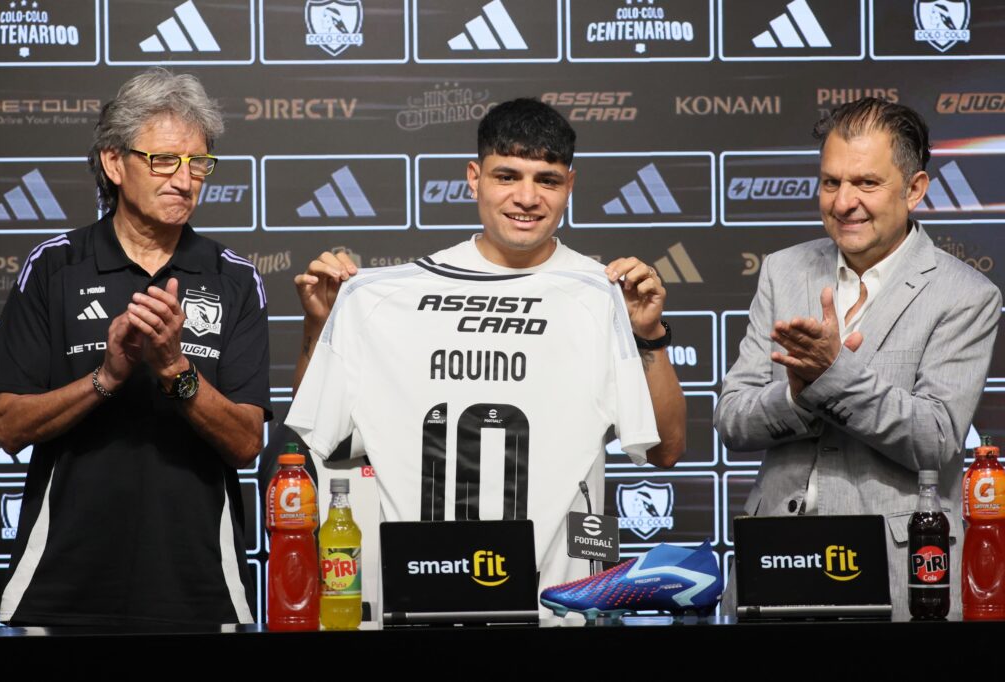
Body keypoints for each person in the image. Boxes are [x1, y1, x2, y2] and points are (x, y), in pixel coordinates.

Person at [288, 98, 686, 601]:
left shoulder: (601, 294)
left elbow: (666, 449)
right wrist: (320, 327)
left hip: (562, 600)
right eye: (507, 176)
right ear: (473, 177)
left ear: (570, 186)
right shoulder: (385, 299)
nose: (527, 197)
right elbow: (318, 428)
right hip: (424, 597)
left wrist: (648, 335)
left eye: (547, 179)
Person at [0, 68, 271, 626]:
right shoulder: (55, 267)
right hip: (63, 583)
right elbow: (8, 426)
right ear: (115, 163)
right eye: (164, 160)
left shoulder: (234, 278)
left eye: (198, 163)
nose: (184, 180)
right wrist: (107, 378)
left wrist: (174, 369)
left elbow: (245, 443)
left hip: (199, 584)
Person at [715, 98, 1001, 618]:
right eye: (830, 182)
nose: (844, 202)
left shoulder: (966, 295)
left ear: (914, 189)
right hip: (775, 564)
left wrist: (832, 376)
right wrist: (797, 399)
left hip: (899, 574)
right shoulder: (784, 271)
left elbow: (935, 439)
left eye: (866, 183)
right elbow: (732, 418)